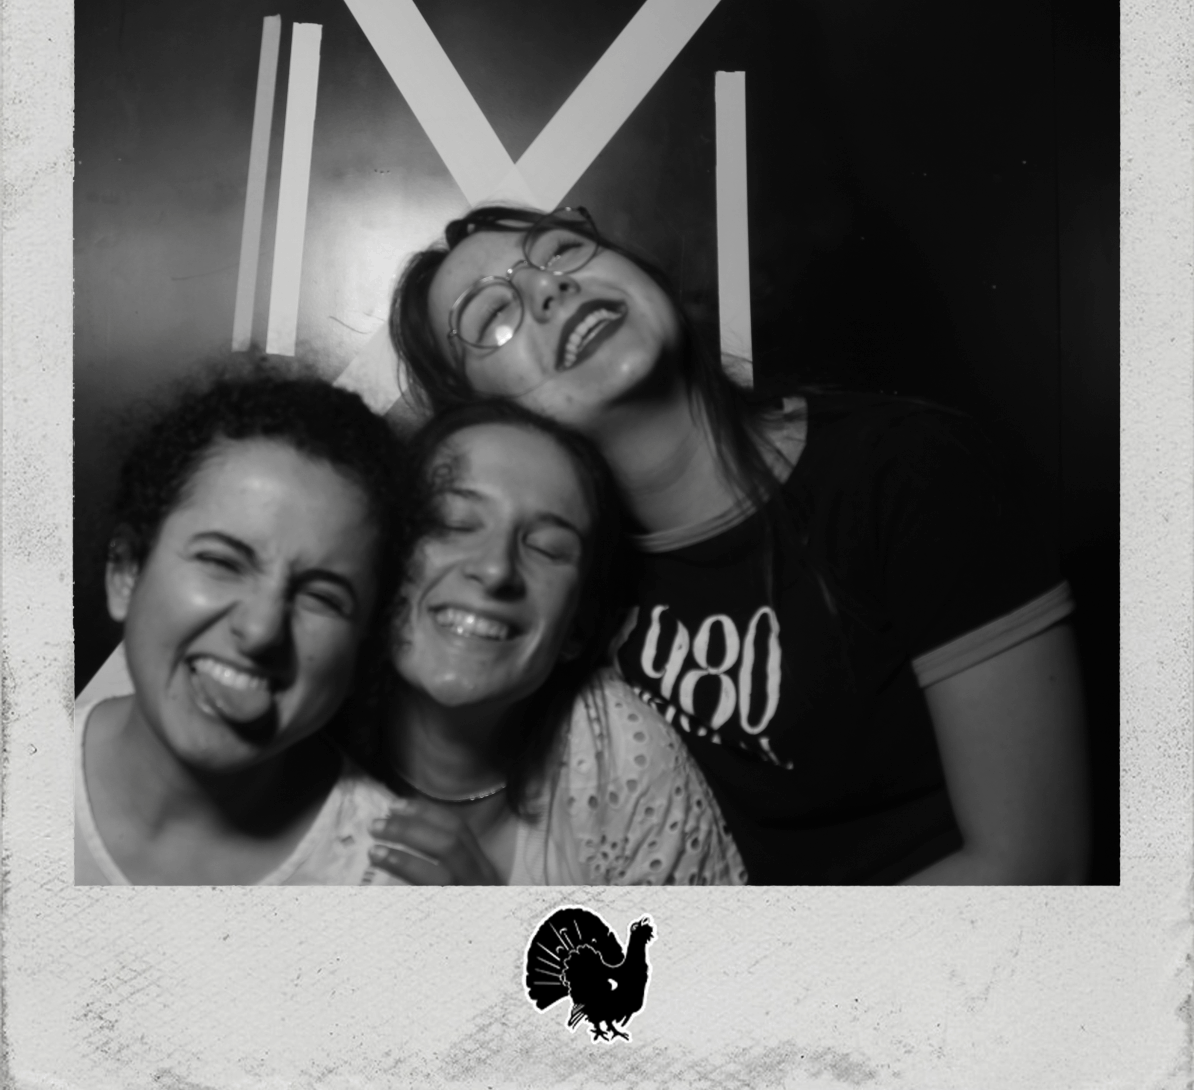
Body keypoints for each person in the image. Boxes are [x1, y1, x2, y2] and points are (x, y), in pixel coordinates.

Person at [389, 203, 1091, 885]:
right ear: (480, 412)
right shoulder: (546, 586)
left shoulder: (907, 472)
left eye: (562, 249)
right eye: (493, 316)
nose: (548, 287)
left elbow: (1035, 865)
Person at [359, 400, 748, 885]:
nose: (496, 568)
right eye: (453, 523)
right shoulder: (302, 708)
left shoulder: (618, 756)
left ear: (576, 626)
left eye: (548, 549)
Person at [75, 363, 417, 885]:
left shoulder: (391, 885)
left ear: (362, 648)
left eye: (322, 597)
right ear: (125, 572)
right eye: (221, 562)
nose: (261, 630)